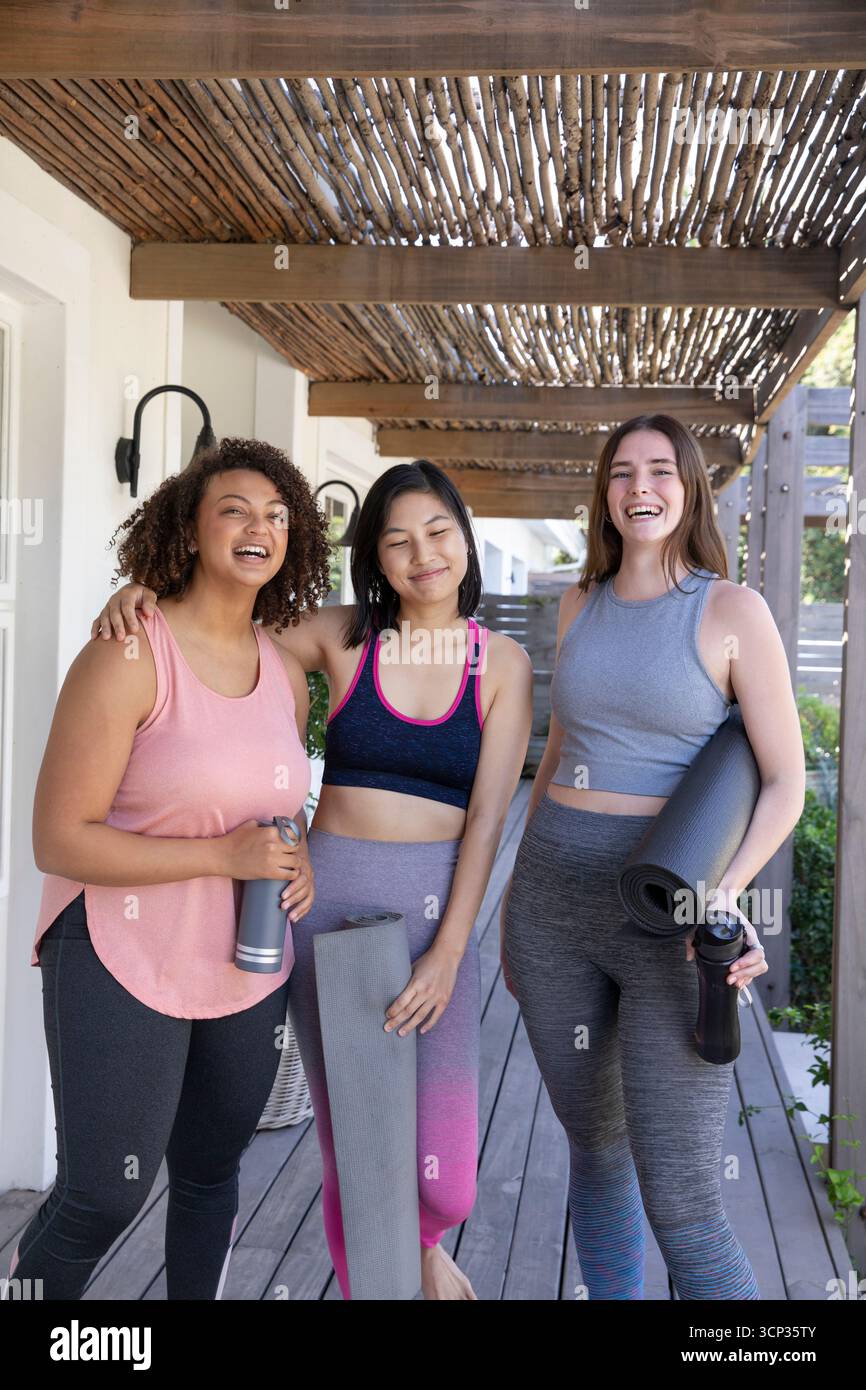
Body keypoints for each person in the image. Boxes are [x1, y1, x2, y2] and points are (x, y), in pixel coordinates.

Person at [90, 458, 534, 1301]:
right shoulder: (341, 636)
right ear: (375, 557)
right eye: (397, 539)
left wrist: (449, 951)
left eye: (438, 532)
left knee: (447, 1182)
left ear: (465, 541)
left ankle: (424, 1247)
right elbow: (211, 629)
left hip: (432, 920)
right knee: (360, 1147)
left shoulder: (502, 665)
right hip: (323, 908)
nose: (422, 553)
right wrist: (141, 594)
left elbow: (487, 821)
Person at [9, 438, 329, 1300]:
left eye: (277, 514)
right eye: (234, 509)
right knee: (100, 1195)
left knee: (210, 1172)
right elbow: (57, 840)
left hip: (244, 959)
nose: (259, 527)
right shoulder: (127, 652)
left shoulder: (286, 673)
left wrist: (289, 855)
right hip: (119, 950)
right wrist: (221, 856)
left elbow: (264, 795)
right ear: (188, 531)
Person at [501, 415, 805, 1301]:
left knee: (684, 1202)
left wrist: (722, 901)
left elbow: (785, 783)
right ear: (604, 492)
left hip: (669, 917)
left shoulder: (730, 610)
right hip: (554, 906)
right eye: (623, 472)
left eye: (662, 471)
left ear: (689, 489)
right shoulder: (577, 601)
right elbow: (559, 750)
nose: (641, 487)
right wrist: (520, 904)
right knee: (595, 1154)